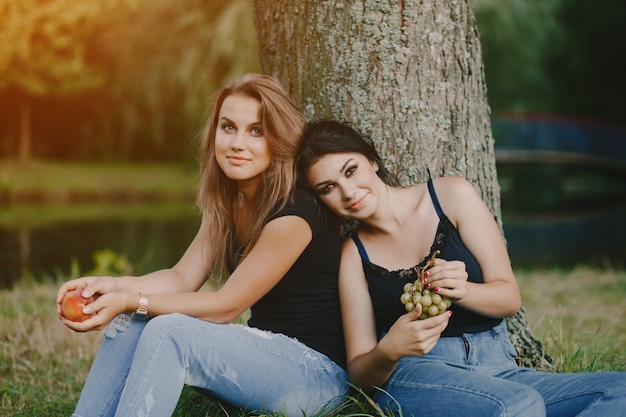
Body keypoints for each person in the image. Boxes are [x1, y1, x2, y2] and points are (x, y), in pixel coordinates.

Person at [56, 75, 348, 417]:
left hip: (315, 375)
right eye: (228, 127)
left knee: (169, 330)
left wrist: (133, 299)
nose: (238, 143)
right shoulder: (229, 201)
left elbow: (226, 306)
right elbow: (181, 277)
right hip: (263, 354)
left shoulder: (294, 213)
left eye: (256, 130)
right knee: (134, 319)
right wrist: (112, 287)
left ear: (279, 139)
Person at [296, 119, 626, 417]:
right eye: (328, 187)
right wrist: (389, 349)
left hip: (499, 365)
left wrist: (463, 290)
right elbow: (360, 373)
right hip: (416, 372)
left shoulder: (451, 196)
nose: (348, 192)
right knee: (519, 406)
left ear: (372, 161)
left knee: (618, 391)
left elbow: (509, 298)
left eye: (350, 170)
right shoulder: (353, 255)